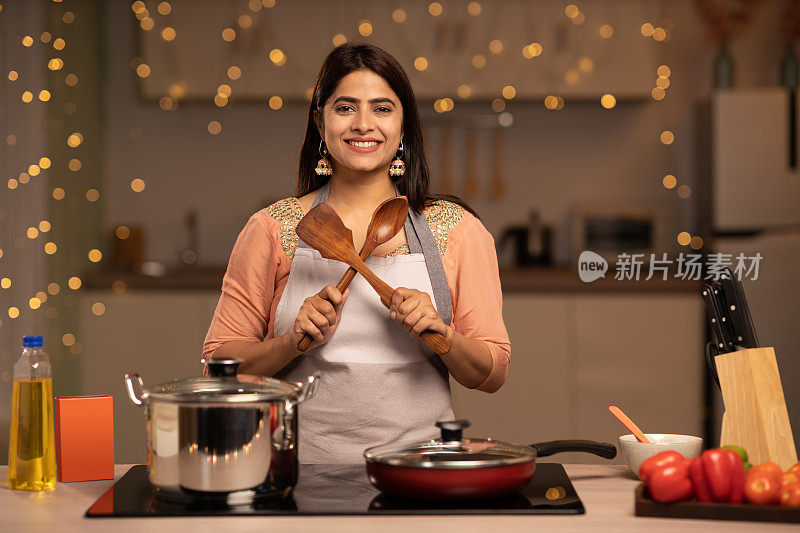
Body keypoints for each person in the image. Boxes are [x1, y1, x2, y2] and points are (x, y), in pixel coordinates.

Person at [203, 43, 510, 463]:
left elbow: (491, 373)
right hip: (297, 469)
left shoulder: (457, 231)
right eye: (345, 108)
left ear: (404, 126)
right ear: (320, 121)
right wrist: (291, 343)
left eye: (382, 109)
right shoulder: (272, 229)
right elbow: (218, 367)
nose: (364, 124)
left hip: (420, 471)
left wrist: (442, 335)